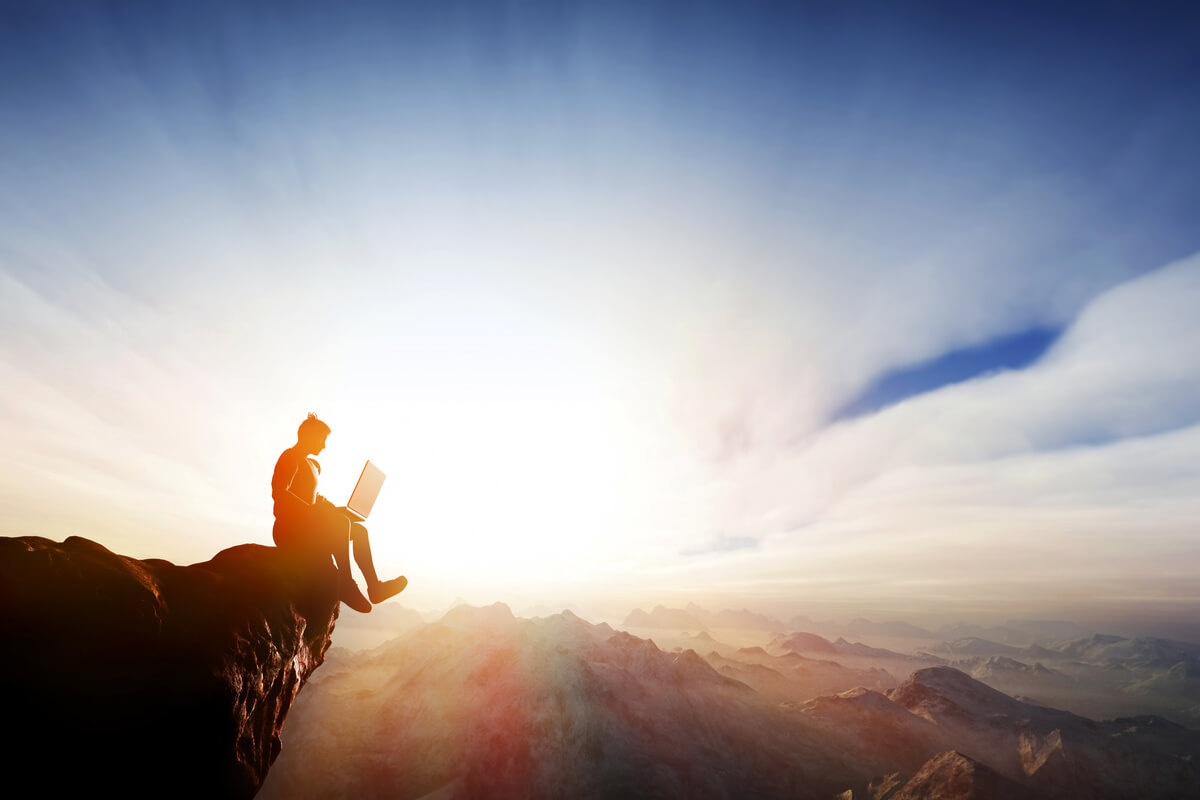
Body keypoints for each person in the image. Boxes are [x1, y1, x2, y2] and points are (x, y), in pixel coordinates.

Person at [272, 413, 407, 613]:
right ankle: (345, 582)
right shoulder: (290, 457)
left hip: (309, 523)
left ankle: (375, 588)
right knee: (341, 524)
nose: (324, 445)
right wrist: (314, 511)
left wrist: (335, 510)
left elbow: (315, 499)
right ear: (309, 436)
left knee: (360, 531)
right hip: (290, 527)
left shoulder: (313, 465)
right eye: (322, 440)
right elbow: (279, 493)